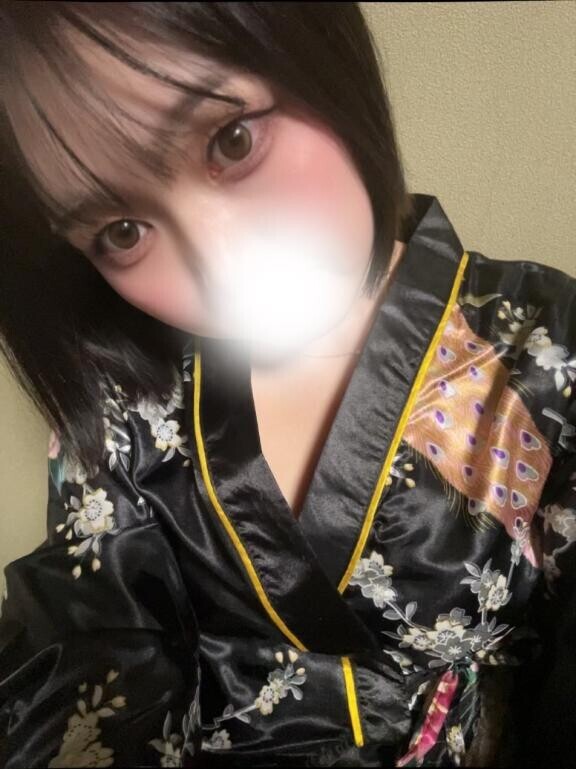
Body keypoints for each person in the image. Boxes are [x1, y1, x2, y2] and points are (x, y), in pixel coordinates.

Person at [0, 3, 574, 767]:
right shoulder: (122, 405)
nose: (219, 265)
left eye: (233, 141)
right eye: (123, 233)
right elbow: (88, 658)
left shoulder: (549, 348)